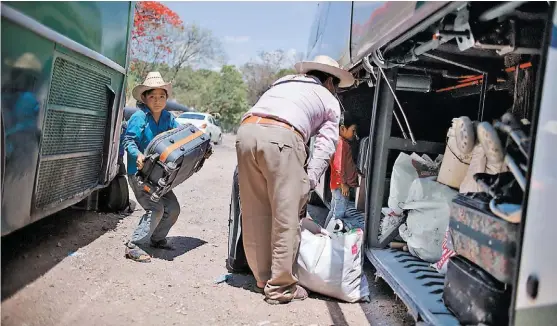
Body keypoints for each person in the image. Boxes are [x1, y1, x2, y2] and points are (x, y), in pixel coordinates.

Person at [235, 55, 355, 304]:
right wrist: (310, 180)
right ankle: (280, 288)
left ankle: (262, 278)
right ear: (330, 81)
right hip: (282, 137)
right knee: (286, 216)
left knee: (255, 212)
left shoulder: (283, 83)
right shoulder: (328, 98)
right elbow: (325, 145)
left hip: (246, 132)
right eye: (337, 86)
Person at [122, 72, 181, 263]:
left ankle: (157, 239)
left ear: (166, 98)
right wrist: (138, 155)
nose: (157, 101)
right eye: (153, 96)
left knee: (172, 208)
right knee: (155, 209)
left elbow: (180, 136)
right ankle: (134, 245)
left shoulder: (168, 118)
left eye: (161, 96)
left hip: (158, 175)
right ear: (144, 98)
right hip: (139, 174)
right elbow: (129, 140)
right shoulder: (139, 117)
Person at [323, 111, 360, 230]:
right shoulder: (341, 144)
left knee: (334, 211)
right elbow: (339, 166)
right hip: (340, 186)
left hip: (337, 184)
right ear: (343, 128)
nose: (354, 134)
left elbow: (344, 164)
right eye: (353, 130)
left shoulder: (340, 142)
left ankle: (324, 232)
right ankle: (330, 236)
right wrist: (343, 184)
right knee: (338, 214)